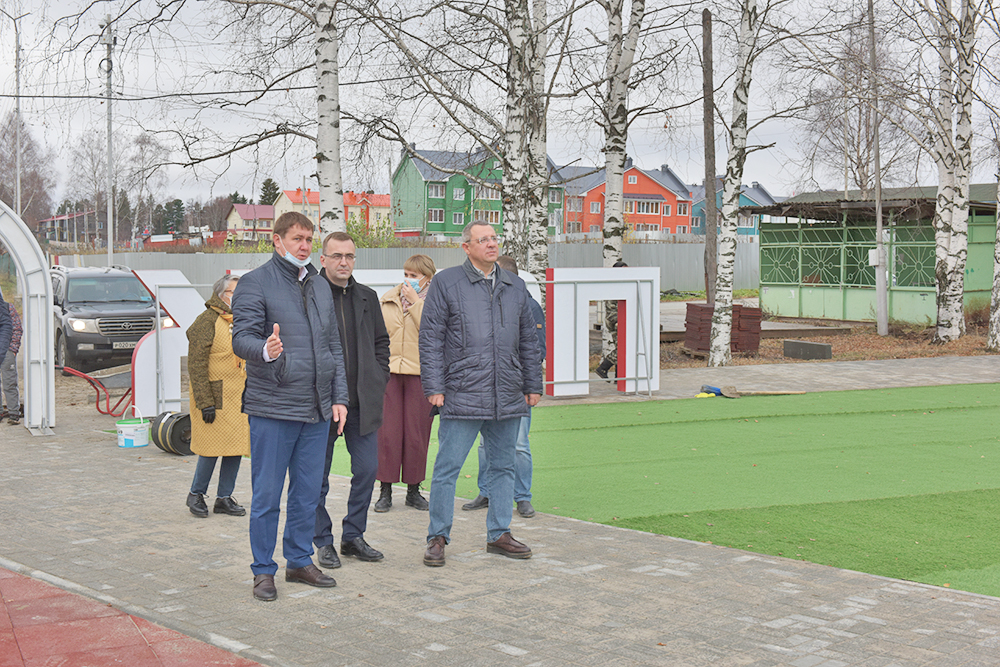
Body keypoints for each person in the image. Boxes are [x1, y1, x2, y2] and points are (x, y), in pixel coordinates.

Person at [231, 211, 348, 602]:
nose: (304, 246)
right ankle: (263, 570)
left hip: (316, 408)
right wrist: (265, 349)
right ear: (277, 240)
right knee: (267, 496)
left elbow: (333, 347)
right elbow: (241, 338)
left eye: (309, 239)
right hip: (273, 407)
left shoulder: (319, 284)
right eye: (297, 238)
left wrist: (339, 397)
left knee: (307, 493)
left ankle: (299, 561)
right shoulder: (254, 283)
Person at [419, 221, 542, 567]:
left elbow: (528, 340)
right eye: (483, 239)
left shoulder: (515, 285)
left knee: (503, 467)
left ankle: (499, 534)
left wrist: (533, 384)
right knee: (447, 468)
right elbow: (430, 338)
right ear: (466, 247)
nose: (491, 244)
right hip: (462, 393)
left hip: (507, 393)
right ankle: (437, 537)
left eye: (494, 238)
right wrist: (434, 387)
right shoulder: (446, 282)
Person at [313, 232, 391, 568]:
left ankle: (353, 536)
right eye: (337, 256)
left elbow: (381, 342)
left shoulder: (367, 297)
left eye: (349, 256)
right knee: (316, 478)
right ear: (323, 259)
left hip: (361, 402)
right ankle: (322, 540)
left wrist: (378, 377)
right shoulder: (309, 294)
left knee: (367, 470)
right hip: (321, 405)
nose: (344, 262)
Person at [462, 254, 544, 518]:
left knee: (519, 444)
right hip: (487, 387)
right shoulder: (485, 304)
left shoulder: (529, 306)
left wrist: (525, 383)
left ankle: (522, 496)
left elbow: (536, 350)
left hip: (515, 389)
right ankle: (486, 492)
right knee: (485, 445)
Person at [373, 254, 436, 513]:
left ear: (428, 278)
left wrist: (416, 303)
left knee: (416, 434)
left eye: (415, 275)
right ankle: (385, 490)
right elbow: (378, 336)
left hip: (420, 375)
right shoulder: (387, 299)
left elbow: (434, 332)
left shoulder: (435, 302)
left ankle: (413, 489)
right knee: (387, 434)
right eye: (406, 274)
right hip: (389, 374)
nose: (409, 280)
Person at [185, 274, 250, 518]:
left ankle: (224, 497)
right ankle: (196, 494)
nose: (239, 297)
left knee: (235, 447)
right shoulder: (207, 321)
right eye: (234, 292)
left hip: (238, 398)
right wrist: (205, 402)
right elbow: (196, 365)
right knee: (210, 448)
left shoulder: (241, 319)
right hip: (214, 398)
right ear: (222, 295)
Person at [595, 259, 628, 380]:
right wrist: (618, 321)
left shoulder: (622, 285)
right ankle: (603, 367)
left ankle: (619, 377)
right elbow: (611, 309)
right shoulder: (613, 287)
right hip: (616, 321)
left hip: (620, 320)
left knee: (621, 346)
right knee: (623, 348)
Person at [1, 298, 22, 426]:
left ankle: (14, 413)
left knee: (9, 382)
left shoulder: (8, 307)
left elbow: (17, 328)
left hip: (7, 350)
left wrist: (12, 349)